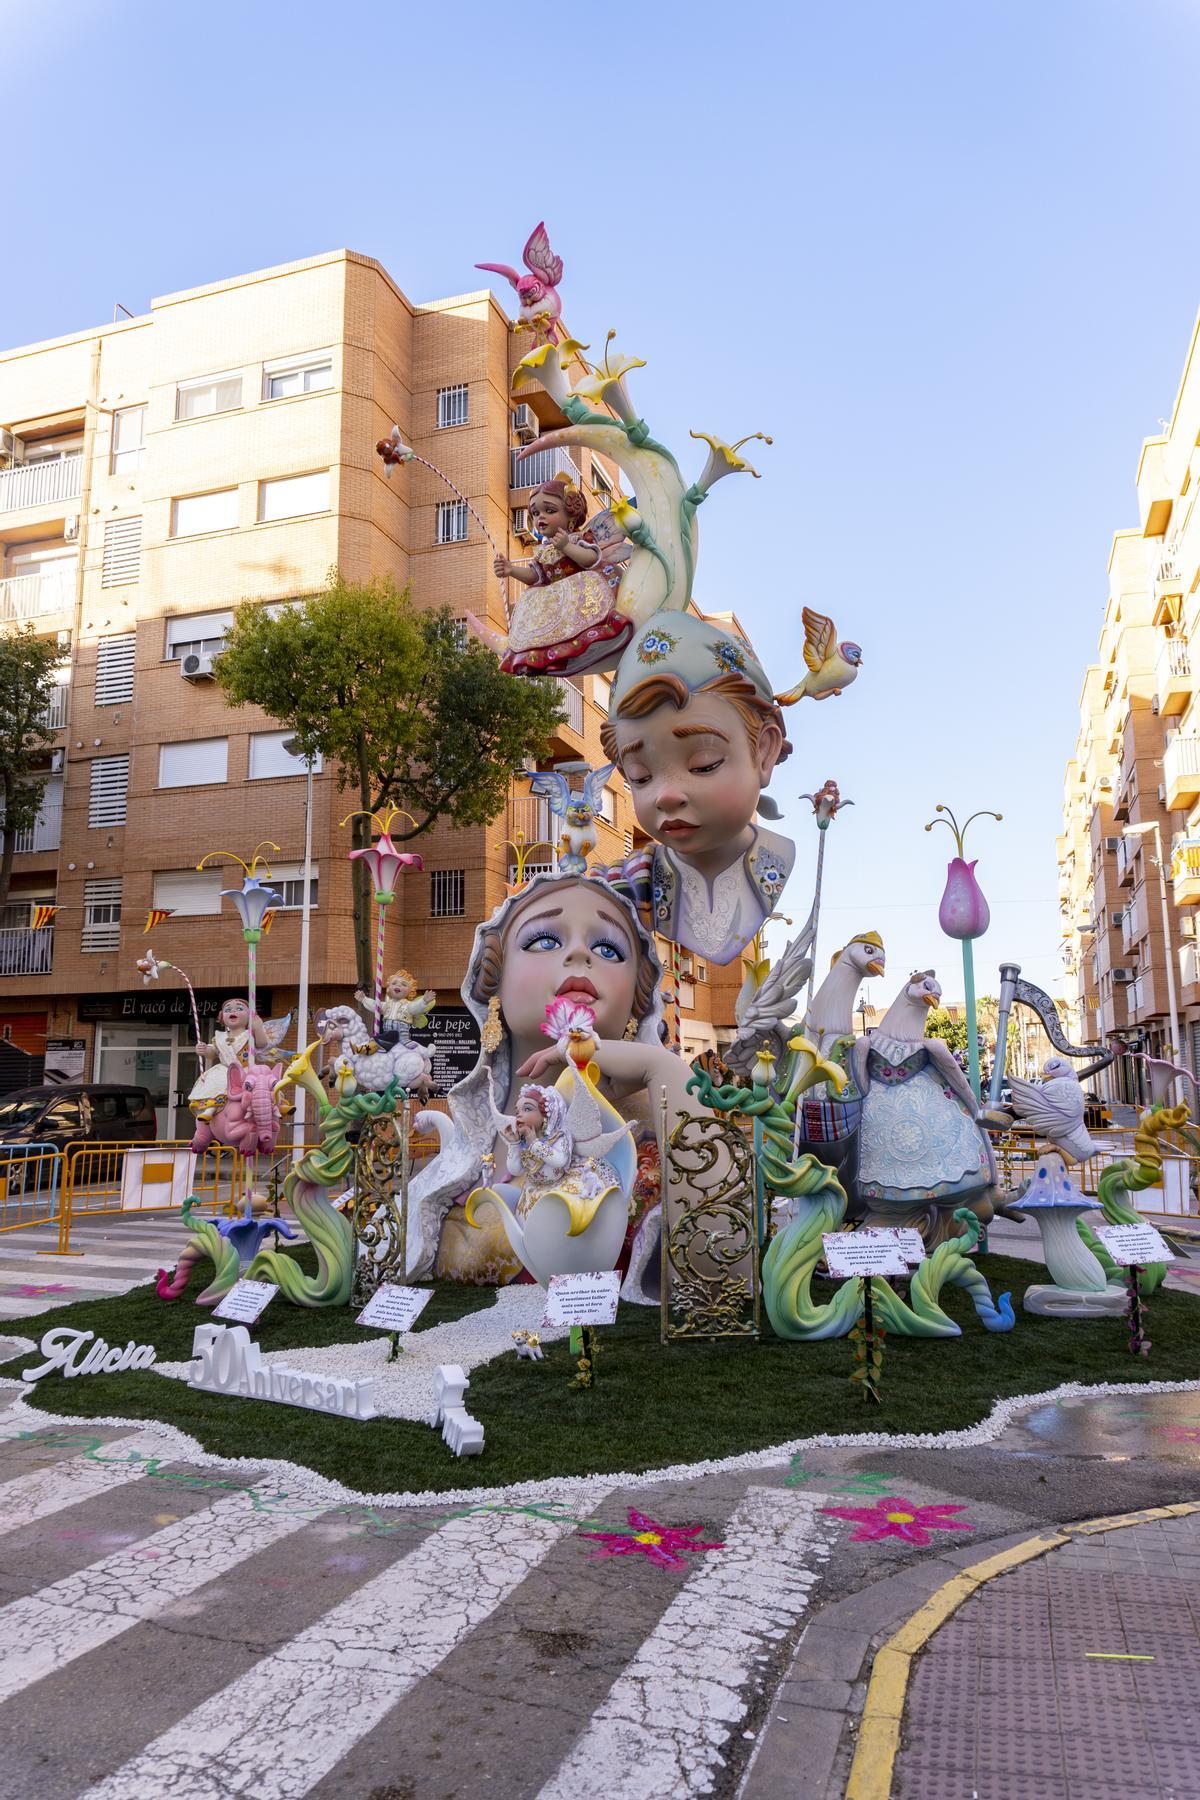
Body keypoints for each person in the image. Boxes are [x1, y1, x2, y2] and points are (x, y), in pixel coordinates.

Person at [408, 872, 696, 1289]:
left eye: (607, 947)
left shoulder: (655, 1137)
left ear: (639, 993)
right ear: (494, 983)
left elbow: (720, 1263)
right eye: (544, 940)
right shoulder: (466, 1149)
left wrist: (655, 1063)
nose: (580, 953)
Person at [600, 609, 796, 964]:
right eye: (641, 777)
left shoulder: (774, 860)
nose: (667, 794)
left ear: (764, 753)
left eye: (703, 765)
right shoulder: (626, 885)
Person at [491, 478, 633, 677]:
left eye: (549, 511)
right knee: (535, 605)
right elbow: (536, 576)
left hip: (579, 596)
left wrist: (567, 546)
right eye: (535, 512)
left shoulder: (577, 539)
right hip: (555, 602)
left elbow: (592, 558)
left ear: (571, 517)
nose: (541, 517)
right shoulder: (542, 550)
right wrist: (511, 570)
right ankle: (549, 655)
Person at [188, 998, 267, 1120]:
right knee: (217, 1082)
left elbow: (262, 1043)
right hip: (225, 1069)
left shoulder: (250, 1035)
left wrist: (258, 1028)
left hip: (246, 1069)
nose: (232, 1011)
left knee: (265, 1085)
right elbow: (213, 1052)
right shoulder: (220, 1037)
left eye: (239, 1008)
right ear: (222, 1016)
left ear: (249, 1015)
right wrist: (204, 1050)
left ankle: (276, 1105)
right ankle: (210, 1109)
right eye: (228, 1009)